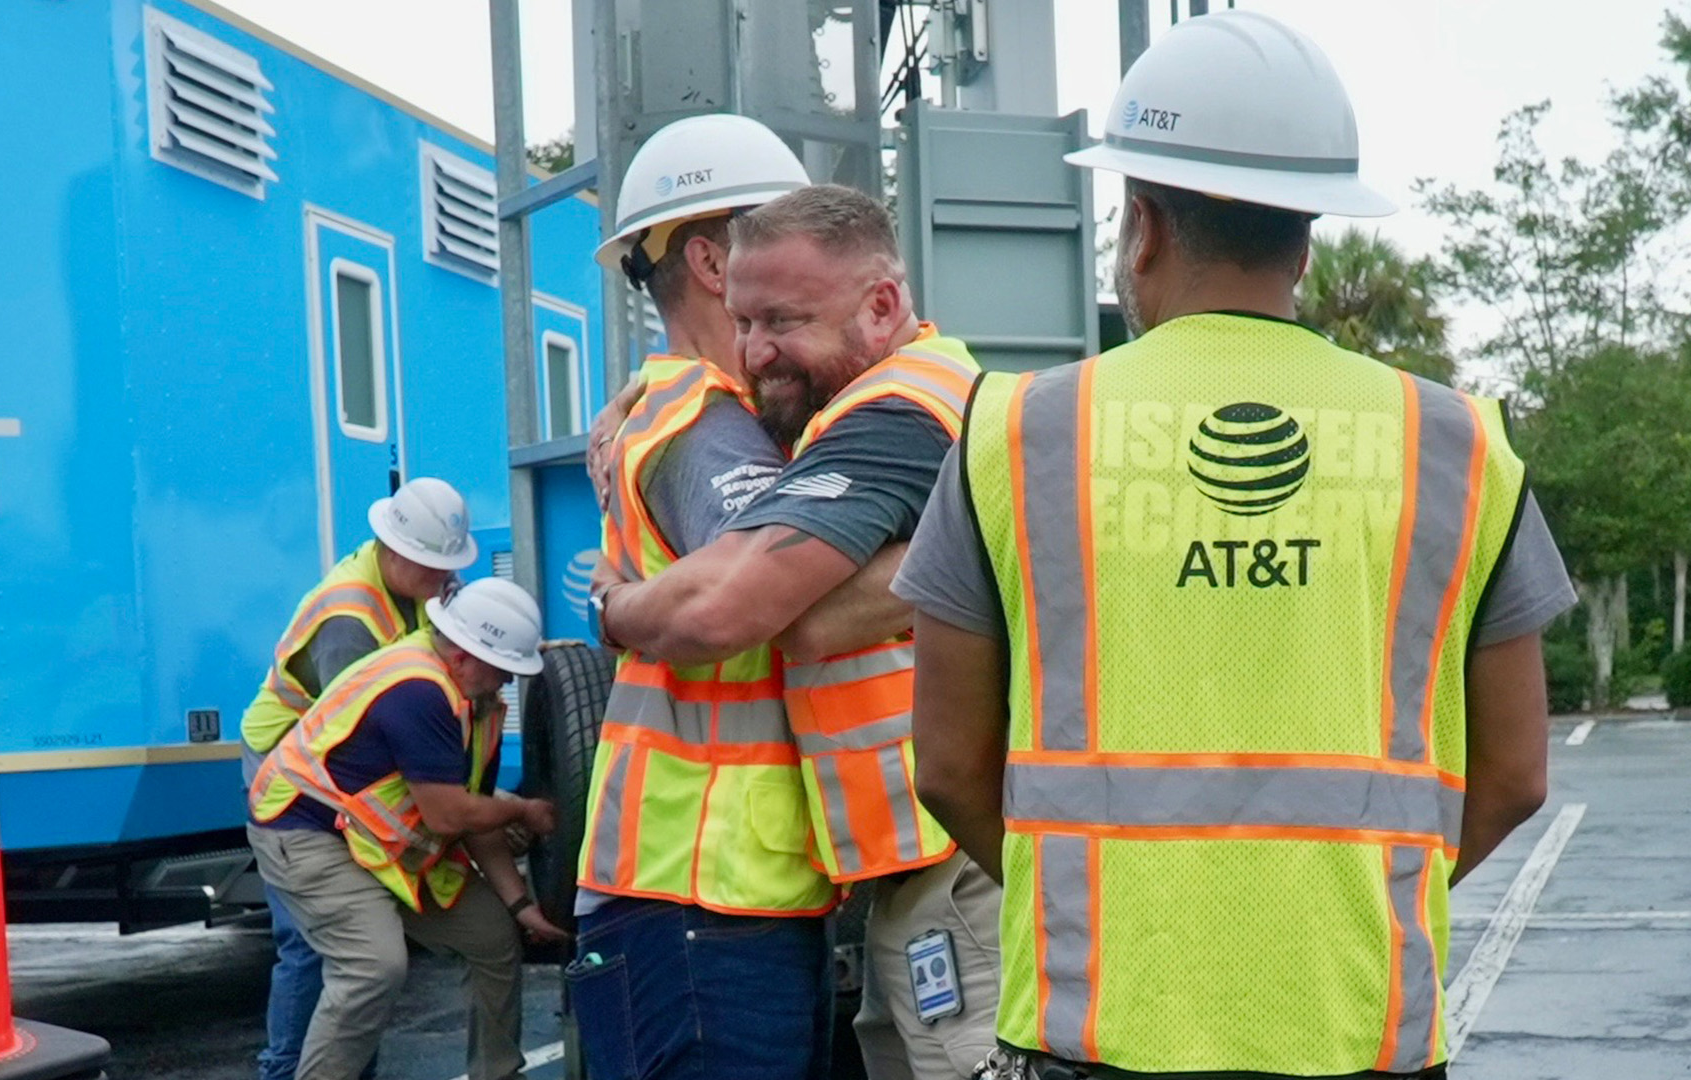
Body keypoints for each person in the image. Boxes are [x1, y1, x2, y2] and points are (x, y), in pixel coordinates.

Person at [895, 12, 1575, 1079]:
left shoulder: (1016, 433)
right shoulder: (1454, 443)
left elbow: (946, 764)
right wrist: (1355, 889)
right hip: (1357, 1024)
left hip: (1095, 1029)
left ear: (1144, 224)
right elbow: (1516, 775)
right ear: (1307, 238)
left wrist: (1083, 893)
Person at [589, 183, 1000, 1079]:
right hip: (886, 865)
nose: (757, 350)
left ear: (883, 305)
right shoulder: (801, 412)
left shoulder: (890, 412)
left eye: (783, 319)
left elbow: (760, 610)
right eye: (745, 320)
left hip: (928, 867)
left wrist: (614, 609)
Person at [247, 578, 568, 1080]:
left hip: (374, 844)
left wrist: (520, 907)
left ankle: (498, 1072)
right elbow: (449, 816)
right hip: (307, 834)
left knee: (493, 939)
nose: (507, 680)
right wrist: (524, 812)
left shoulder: (476, 702)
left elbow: (469, 812)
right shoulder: (417, 691)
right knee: (373, 966)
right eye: (503, 668)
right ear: (463, 655)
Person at [241, 478, 477, 1080]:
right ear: (394, 550)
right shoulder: (349, 617)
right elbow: (360, 731)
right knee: (314, 941)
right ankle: (288, 1069)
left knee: (358, 943)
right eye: (432, 568)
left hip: (328, 761)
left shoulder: (417, 585)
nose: (444, 582)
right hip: (292, 769)